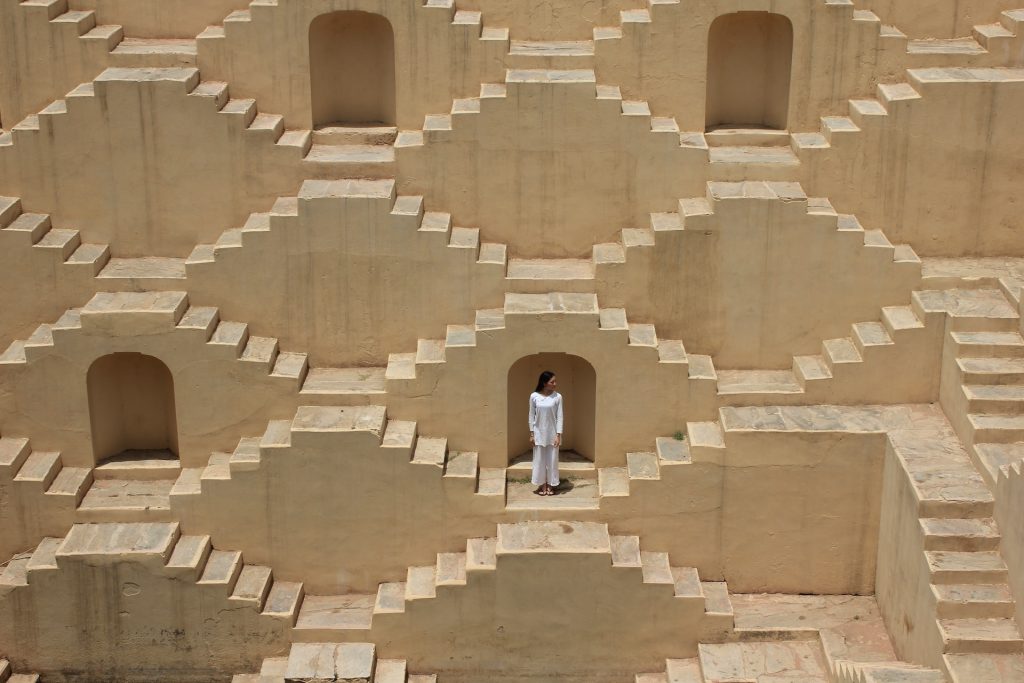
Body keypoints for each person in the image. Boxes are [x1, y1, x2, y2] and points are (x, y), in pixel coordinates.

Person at [528, 370, 563, 496]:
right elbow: (531, 415)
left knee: (552, 461)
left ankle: (551, 484)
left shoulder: (558, 397)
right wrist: (531, 434)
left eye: (555, 381)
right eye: (552, 382)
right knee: (539, 460)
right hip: (538, 433)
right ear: (544, 383)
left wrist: (558, 435)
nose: (555, 384)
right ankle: (541, 484)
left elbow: (560, 417)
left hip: (553, 434)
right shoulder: (534, 396)